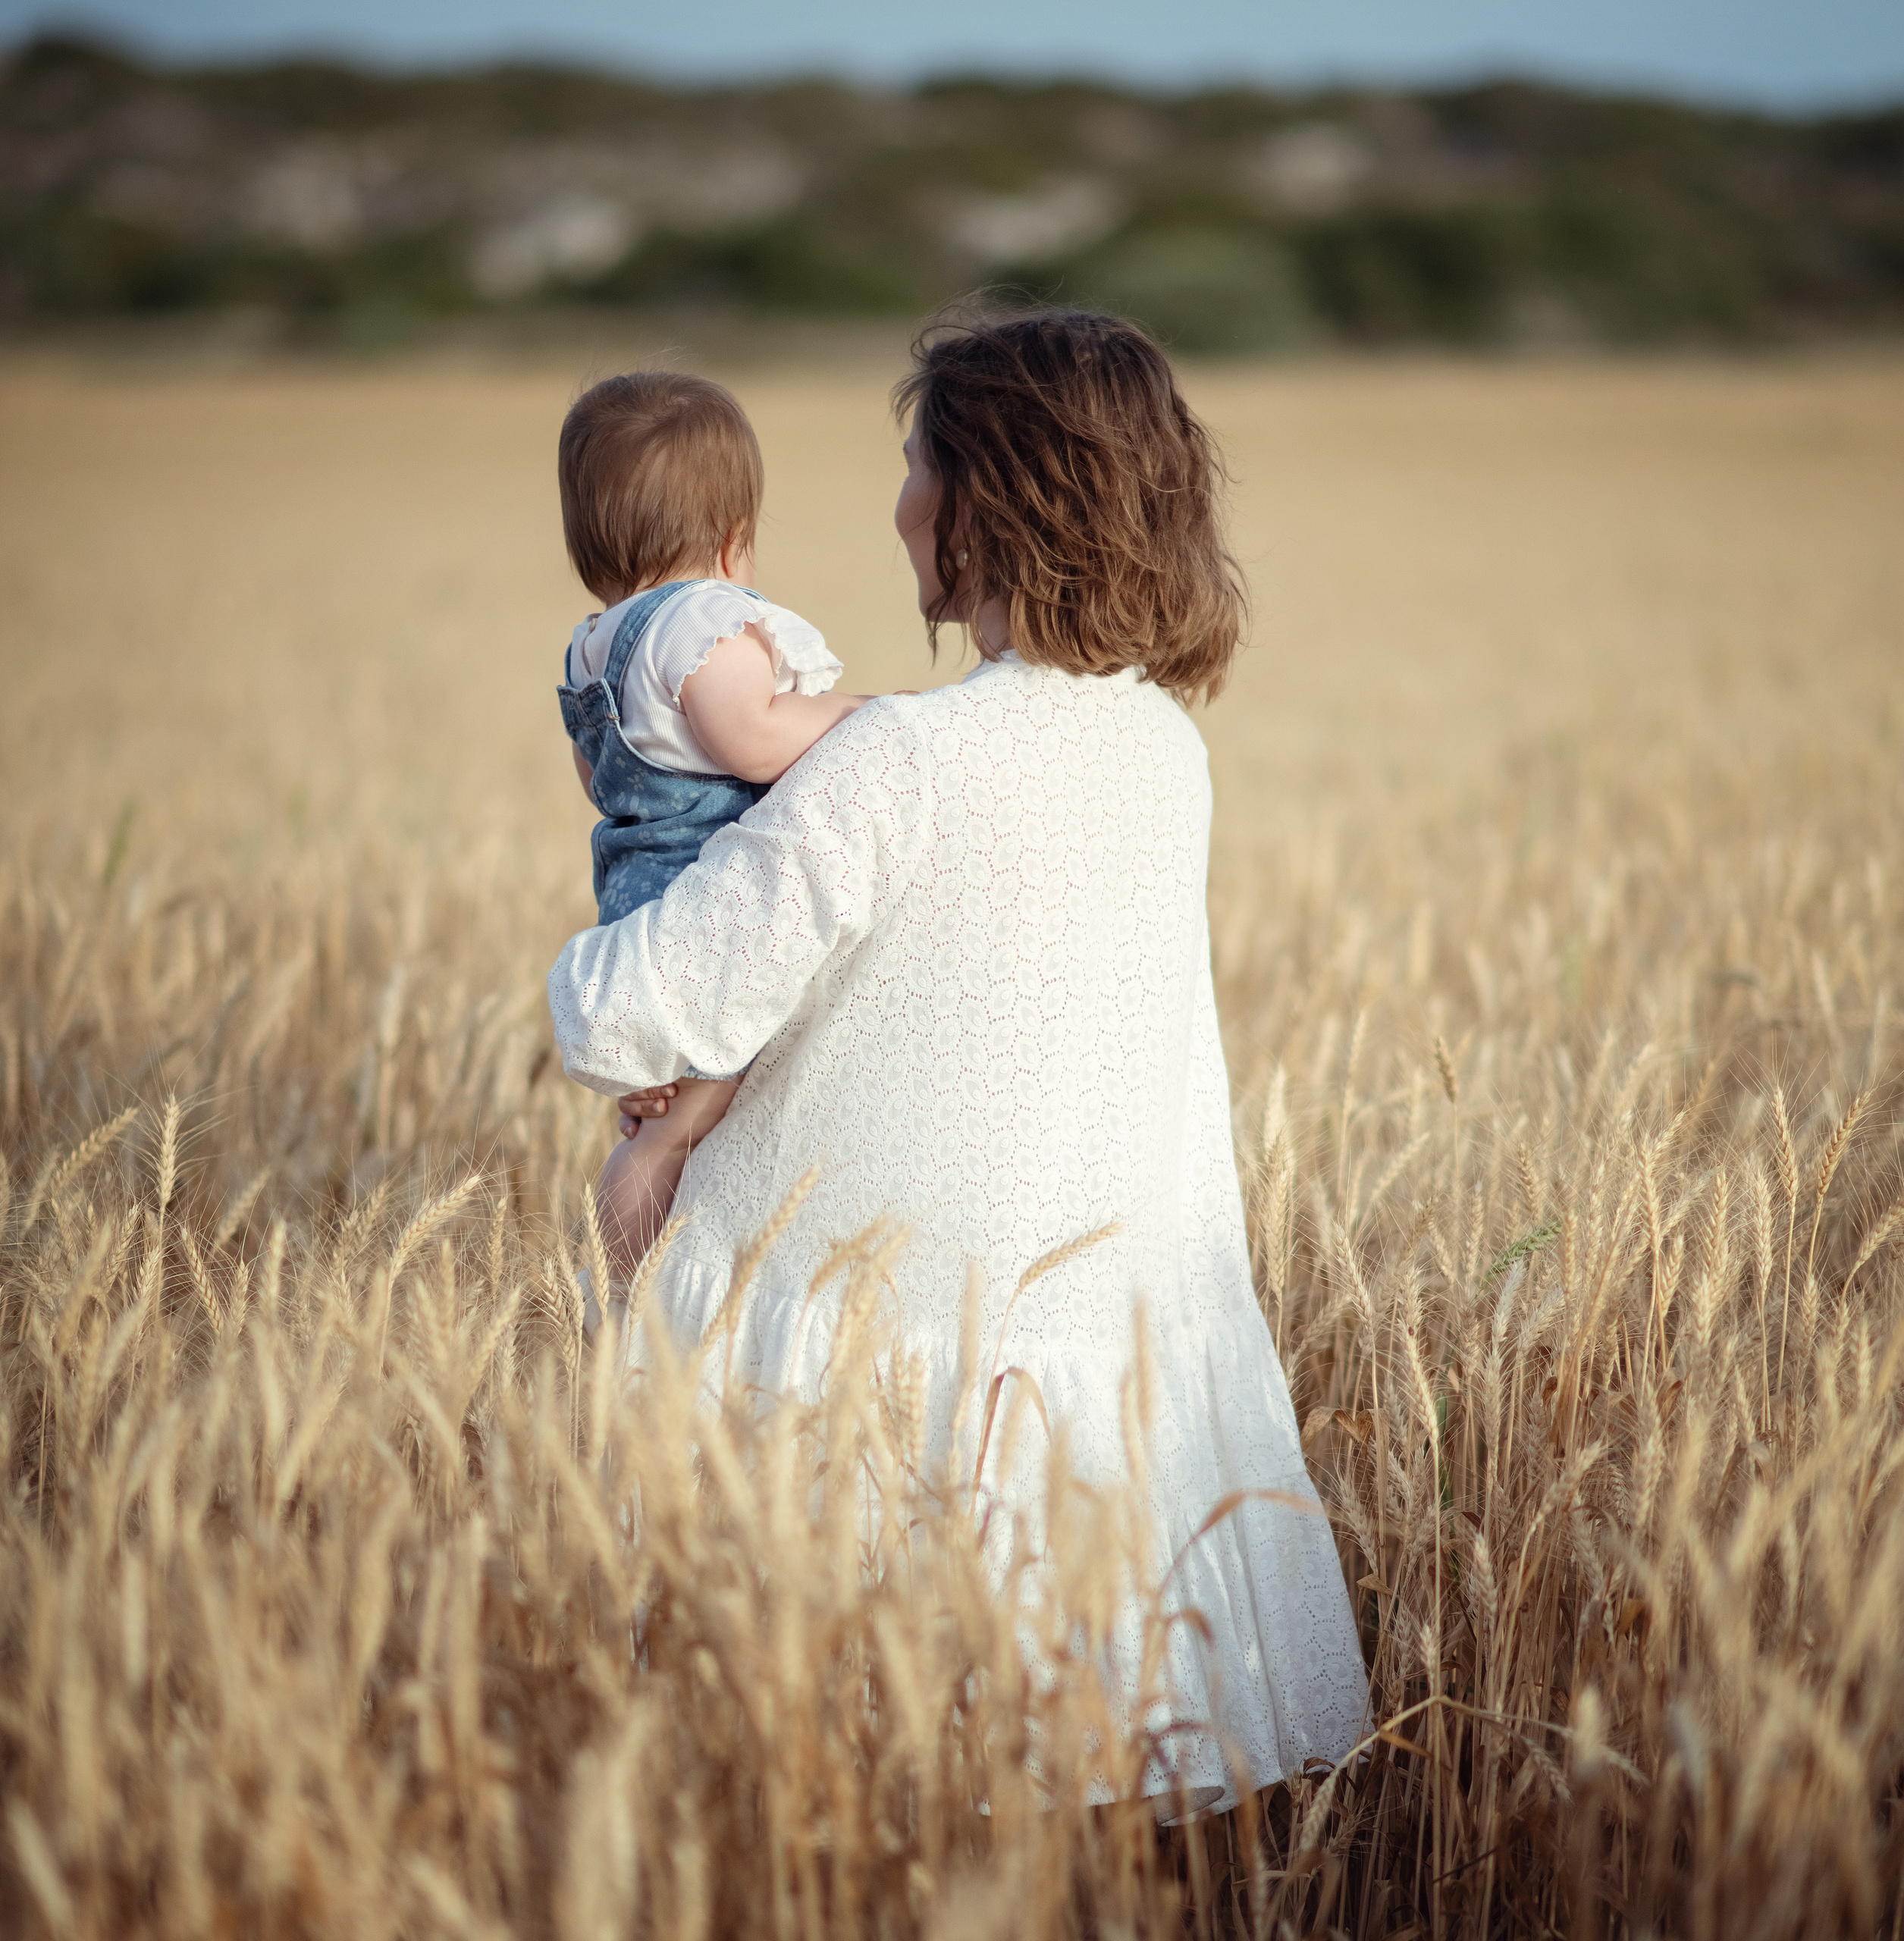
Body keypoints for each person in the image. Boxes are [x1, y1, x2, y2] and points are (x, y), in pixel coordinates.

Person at [549, 310, 1369, 1810]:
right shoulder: (1157, 745)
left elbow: (632, 1012)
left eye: (915, 467)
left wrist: (587, 958)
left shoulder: (900, 760)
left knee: (842, 1804)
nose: (895, 505)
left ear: (978, 501)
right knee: (1073, 1803)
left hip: (871, 1352)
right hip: (1097, 1345)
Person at [554, 372, 874, 1297]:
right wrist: (860, 713)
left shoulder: (592, 646)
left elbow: (601, 778)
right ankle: (626, 1295)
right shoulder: (706, 625)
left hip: (634, 900)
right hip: (711, 902)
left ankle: (652, 1274)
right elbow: (755, 739)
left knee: (675, 1114)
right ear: (734, 535)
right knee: (684, 1128)